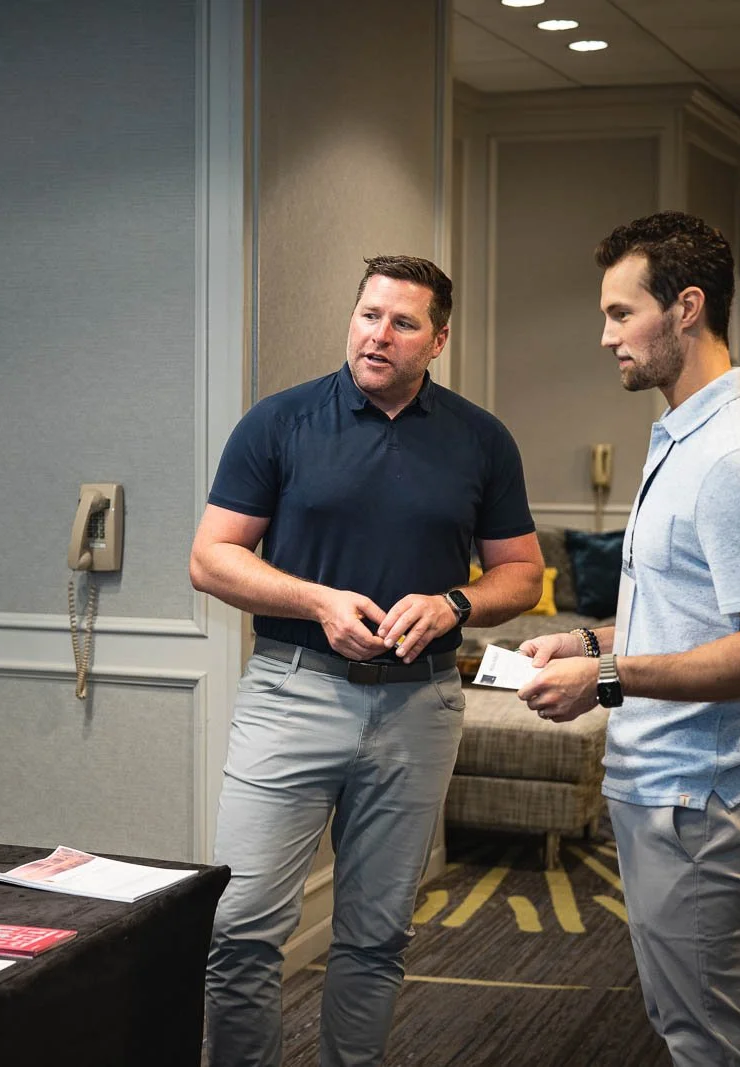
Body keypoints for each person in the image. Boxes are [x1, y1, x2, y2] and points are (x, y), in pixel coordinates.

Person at [191, 255, 543, 1066]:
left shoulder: (481, 439)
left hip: (419, 708)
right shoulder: (279, 422)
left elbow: (519, 571)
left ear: (438, 338)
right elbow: (211, 559)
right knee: (241, 929)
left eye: (403, 322)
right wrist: (317, 600)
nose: (378, 334)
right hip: (292, 692)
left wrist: (456, 603)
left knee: (376, 935)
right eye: (368, 315)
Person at [517, 211, 740, 1067]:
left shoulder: (733, 460)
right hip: (667, 785)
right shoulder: (684, 434)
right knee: (683, 1018)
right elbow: (693, 607)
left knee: (710, 1041)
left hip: (699, 794)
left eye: (620, 313)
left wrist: (606, 676)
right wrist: (587, 641)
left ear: (687, 308)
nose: (604, 335)